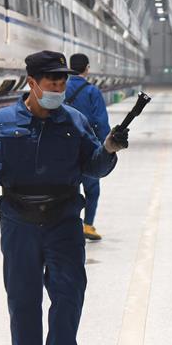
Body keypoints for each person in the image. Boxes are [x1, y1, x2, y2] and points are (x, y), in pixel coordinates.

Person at [0, 50, 128, 345]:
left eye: (62, 82)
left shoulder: (74, 120)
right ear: (32, 83)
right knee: (23, 300)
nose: (58, 88)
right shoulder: (2, 121)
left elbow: (93, 167)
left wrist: (108, 149)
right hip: (19, 222)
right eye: (51, 82)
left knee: (69, 295)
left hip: (63, 220)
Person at [66, 53, 111, 241]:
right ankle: (88, 225)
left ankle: (71, 226)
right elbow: (101, 122)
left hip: (64, 148)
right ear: (87, 68)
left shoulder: (61, 88)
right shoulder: (92, 91)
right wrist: (105, 147)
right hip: (88, 148)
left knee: (69, 190)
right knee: (92, 189)